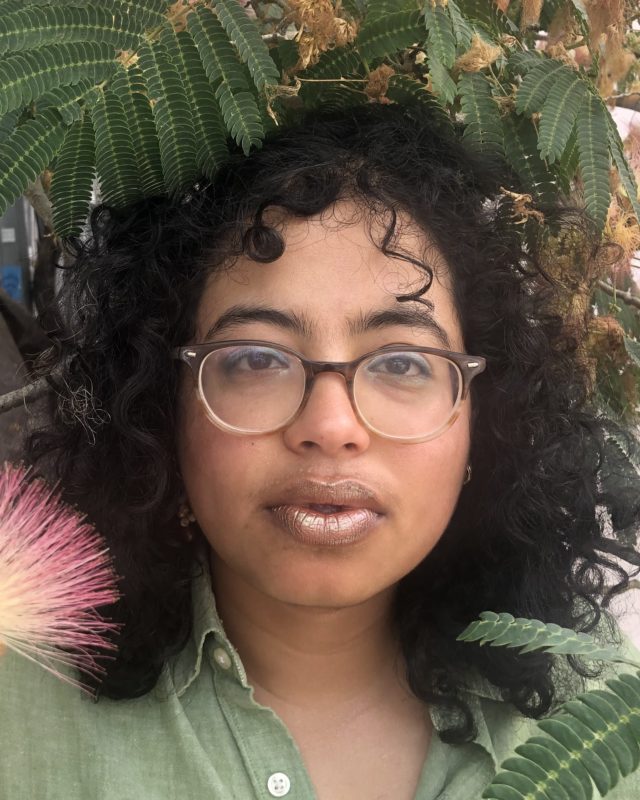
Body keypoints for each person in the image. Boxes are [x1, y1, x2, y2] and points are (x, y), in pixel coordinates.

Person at [1, 103, 639, 800]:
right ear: (163, 409)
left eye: (401, 364)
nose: (330, 426)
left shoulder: (607, 724)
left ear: (481, 426)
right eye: (255, 359)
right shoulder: (20, 712)